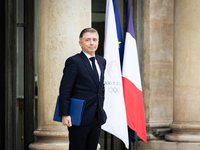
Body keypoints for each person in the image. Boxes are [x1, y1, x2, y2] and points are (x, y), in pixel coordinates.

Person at [59, 27, 107, 150]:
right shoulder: (74, 61)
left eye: (95, 40)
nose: (92, 43)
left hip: (96, 117)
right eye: (88, 40)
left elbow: (100, 88)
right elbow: (65, 89)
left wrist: (101, 108)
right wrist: (65, 114)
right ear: (80, 43)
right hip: (78, 117)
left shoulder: (102, 61)